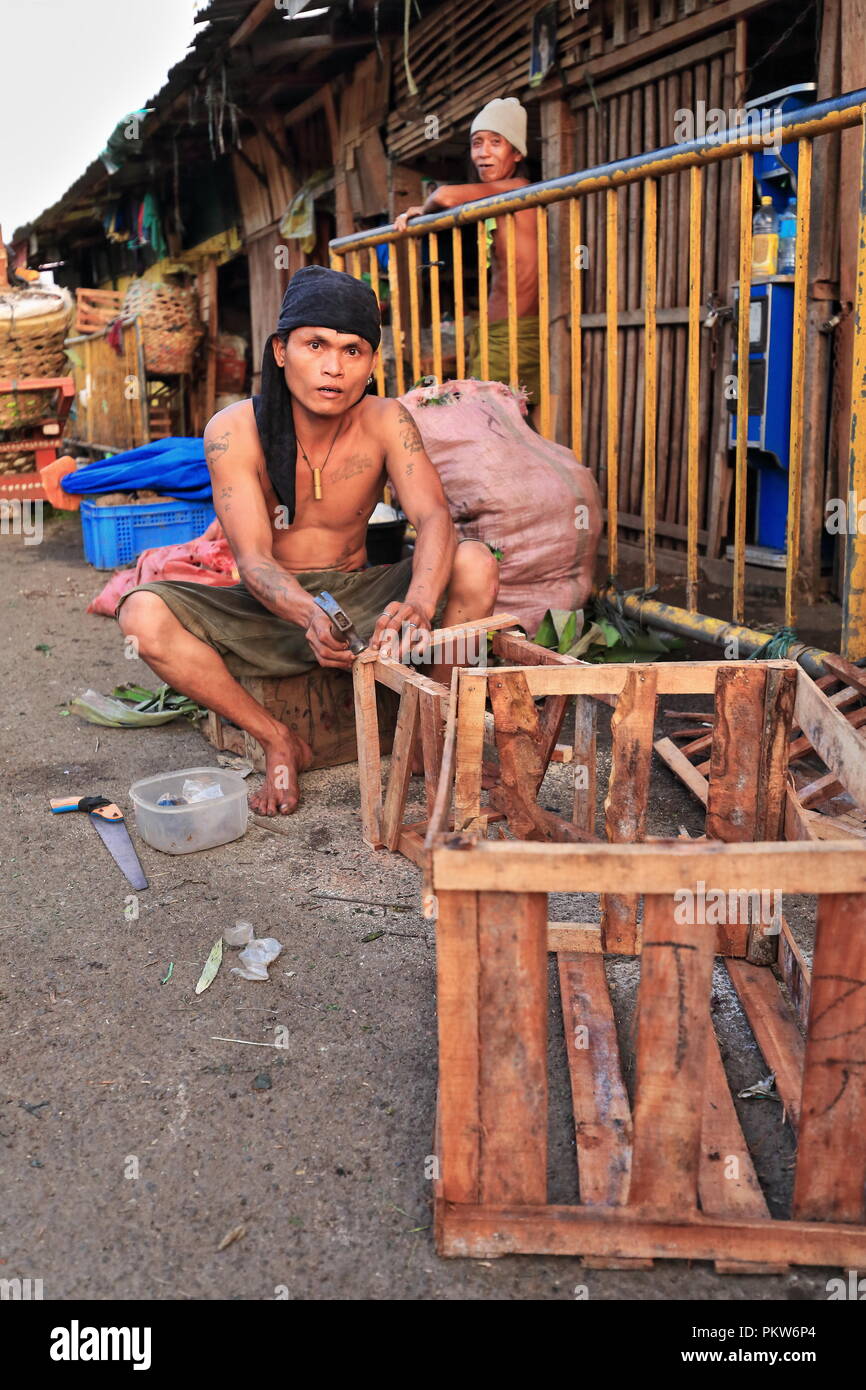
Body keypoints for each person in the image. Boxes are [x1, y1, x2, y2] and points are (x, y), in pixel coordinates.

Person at [117, 265, 499, 816]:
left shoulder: (389, 419)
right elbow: (252, 559)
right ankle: (278, 738)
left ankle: (429, 733)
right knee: (143, 617)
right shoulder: (233, 429)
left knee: (476, 562)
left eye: (353, 351)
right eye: (315, 344)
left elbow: (435, 517)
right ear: (279, 351)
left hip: (359, 601)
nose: (333, 367)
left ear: (371, 365)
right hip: (269, 607)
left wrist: (416, 603)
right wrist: (307, 614)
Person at [394, 96, 540, 405]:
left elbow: (445, 196)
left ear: (515, 153)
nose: (483, 153)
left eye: (495, 142)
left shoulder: (517, 187)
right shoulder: (501, 196)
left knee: (495, 426)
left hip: (513, 334)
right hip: (502, 333)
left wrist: (423, 210)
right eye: (477, 143)